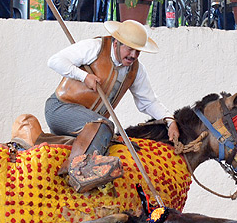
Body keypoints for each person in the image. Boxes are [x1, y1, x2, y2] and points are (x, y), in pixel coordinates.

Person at [44, 20, 180, 192]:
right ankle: (78, 172)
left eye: (138, 51)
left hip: (91, 124)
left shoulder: (135, 70)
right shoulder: (94, 47)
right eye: (129, 49)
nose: (133, 55)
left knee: (107, 131)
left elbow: (149, 102)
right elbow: (55, 61)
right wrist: (83, 76)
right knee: (106, 125)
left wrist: (169, 120)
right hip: (60, 108)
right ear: (116, 42)